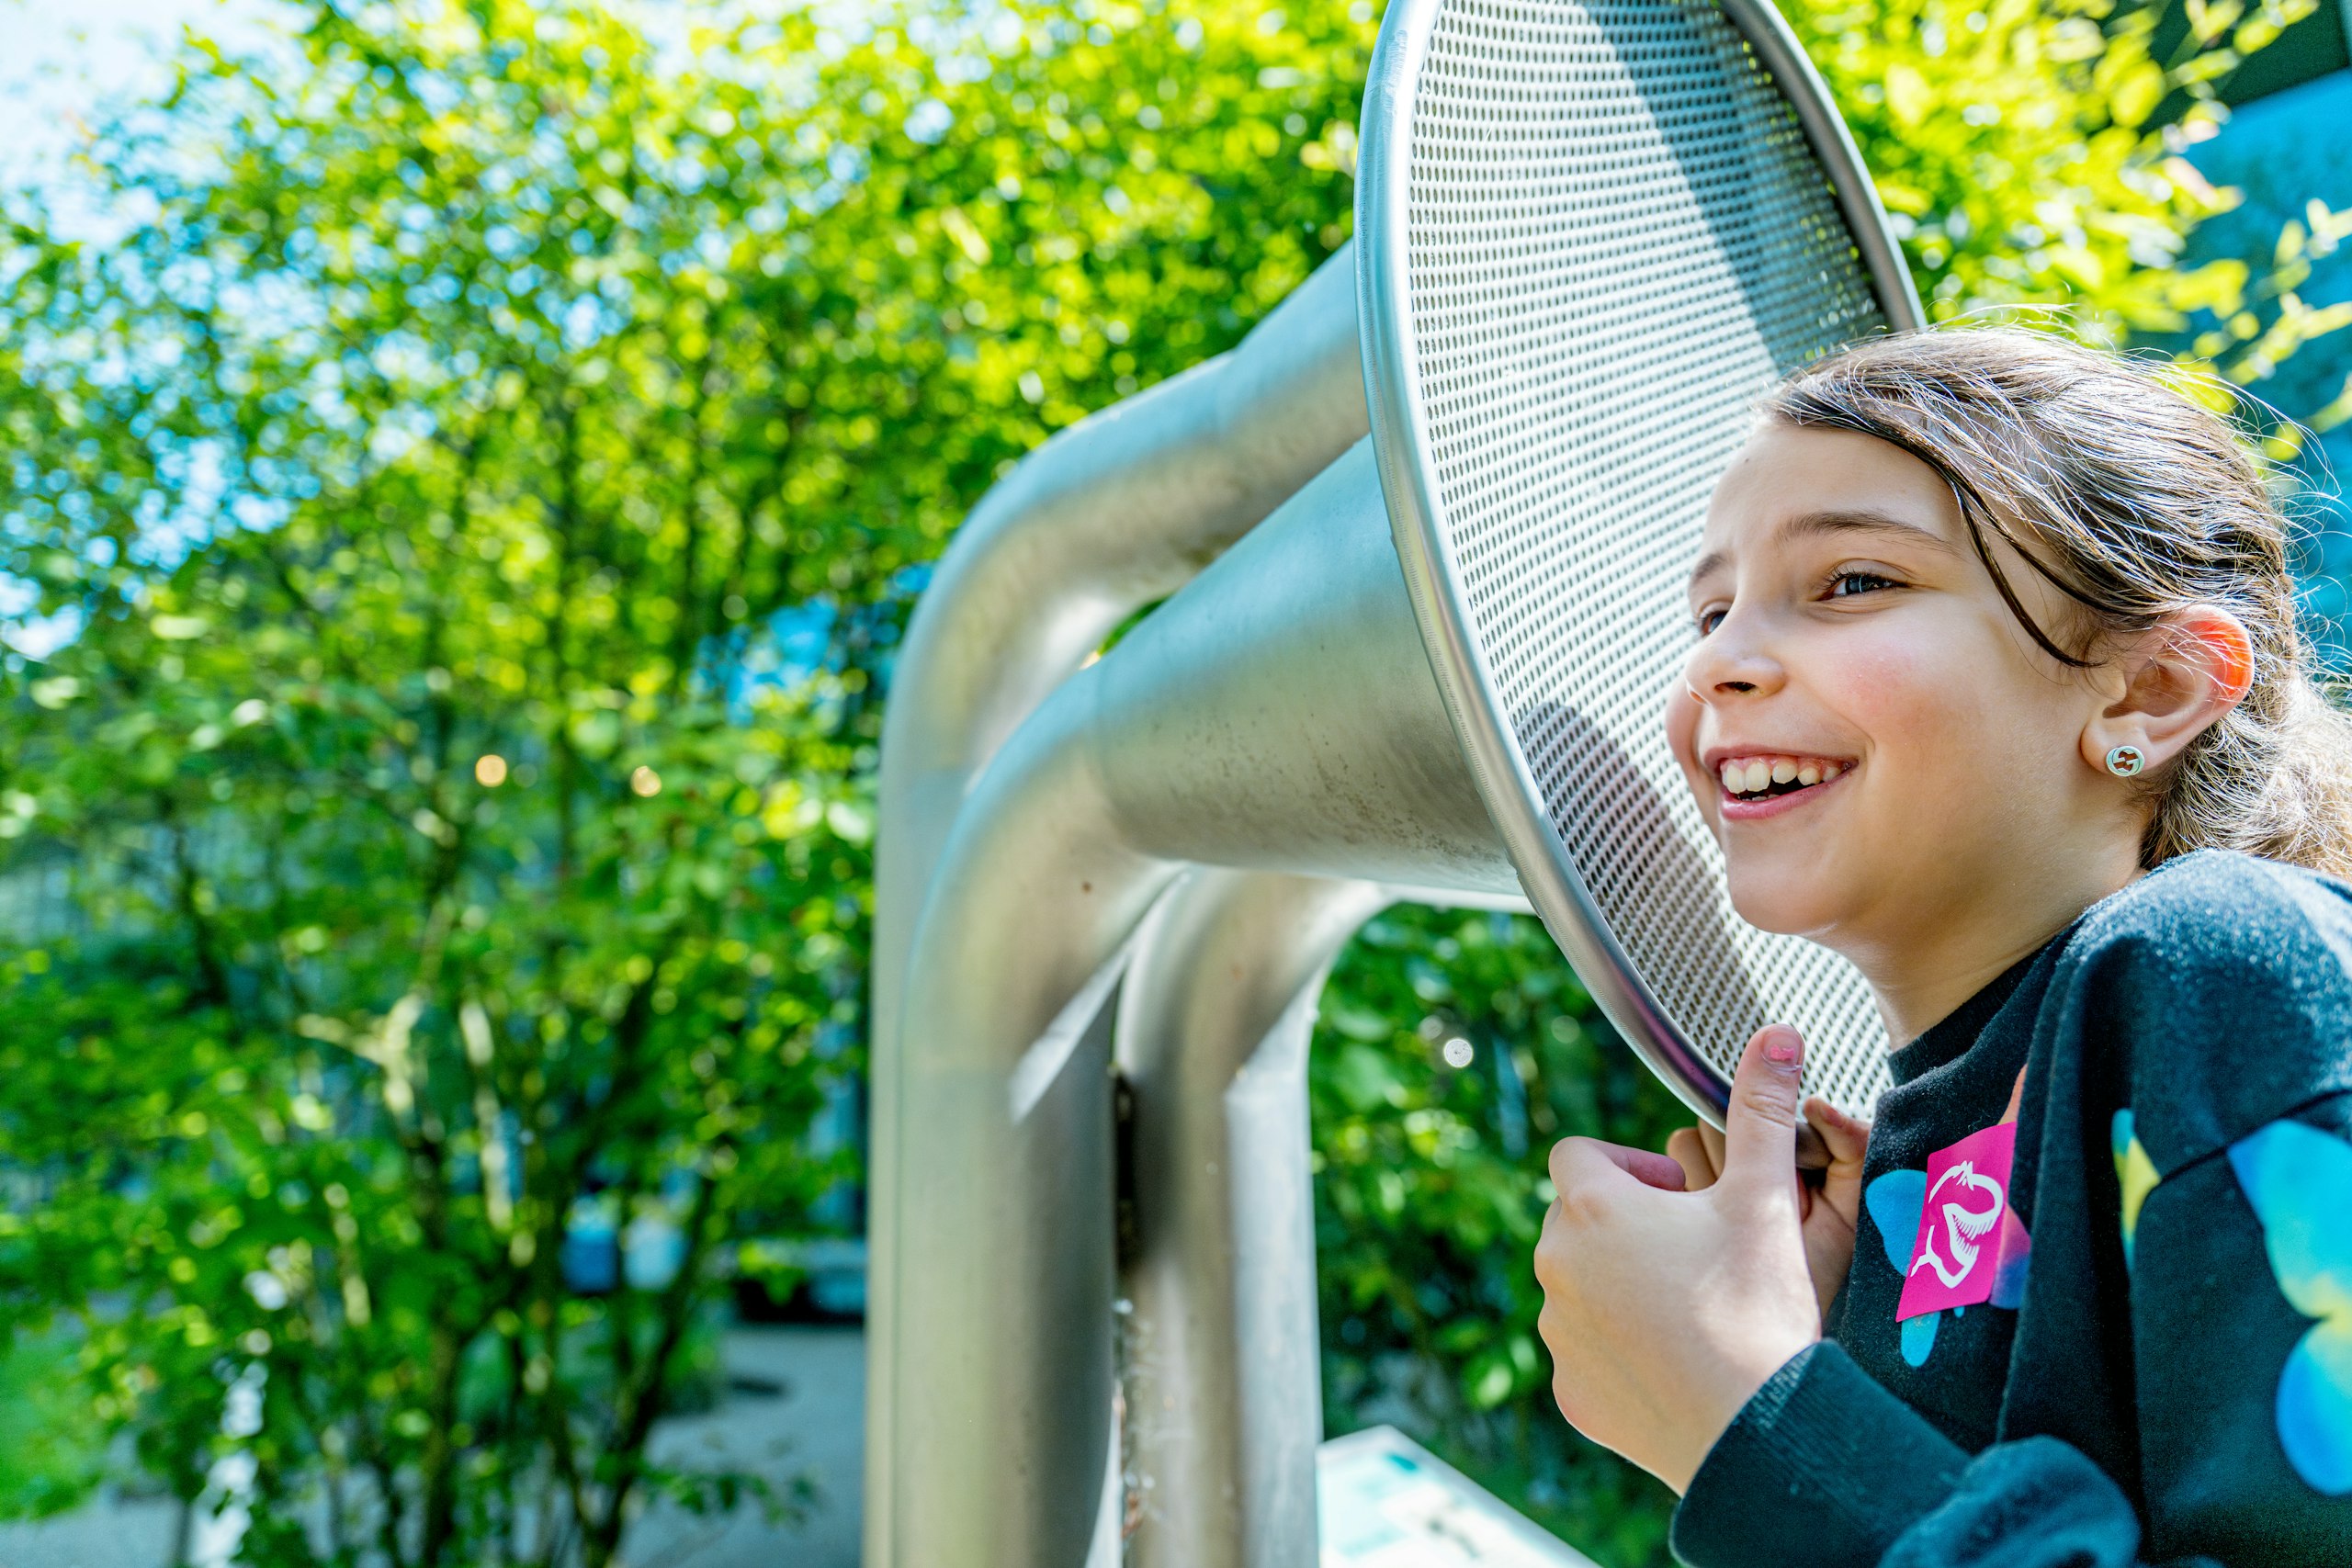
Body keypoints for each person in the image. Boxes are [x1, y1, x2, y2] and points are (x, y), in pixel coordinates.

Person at [1530, 326, 2352, 1567]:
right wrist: (1836, 1379)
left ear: (2150, 691)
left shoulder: (2221, 969)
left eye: (1853, 581)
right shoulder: (1902, 1194)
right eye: (1711, 609)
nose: (1719, 662)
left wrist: (1756, 1423)